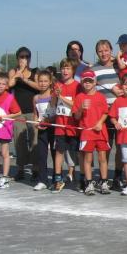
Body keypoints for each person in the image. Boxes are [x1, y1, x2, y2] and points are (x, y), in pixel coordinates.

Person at [73, 70, 110, 196]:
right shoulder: (79, 97)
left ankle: (104, 182)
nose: (87, 83)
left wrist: (100, 123)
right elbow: (76, 117)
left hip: (100, 132)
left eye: (90, 81)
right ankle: (89, 183)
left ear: (95, 82)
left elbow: (105, 112)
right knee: (87, 158)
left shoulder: (101, 96)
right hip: (87, 132)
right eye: (85, 81)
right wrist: (81, 108)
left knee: (102, 157)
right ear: (82, 82)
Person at [92, 40, 124, 188]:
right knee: (104, 146)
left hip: (120, 113)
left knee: (120, 146)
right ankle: (103, 176)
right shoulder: (93, 69)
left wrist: (120, 91)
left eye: (106, 50)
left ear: (111, 50)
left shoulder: (119, 66)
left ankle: (118, 175)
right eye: (100, 51)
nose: (103, 53)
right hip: (103, 114)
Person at [7, 46, 39, 181]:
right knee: (19, 141)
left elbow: (39, 86)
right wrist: (18, 72)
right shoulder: (13, 71)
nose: (24, 59)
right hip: (18, 113)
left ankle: (35, 169)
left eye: (27, 57)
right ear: (17, 58)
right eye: (22, 57)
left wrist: (25, 79)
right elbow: (9, 84)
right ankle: (20, 169)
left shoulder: (35, 72)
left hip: (33, 111)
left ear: (30, 59)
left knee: (34, 140)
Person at [52, 58, 81, 190]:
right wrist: (55, 96)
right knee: (59, 151)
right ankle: (58, 178)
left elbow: (76, 105)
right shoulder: (58, 85)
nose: (65, 71)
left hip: (72, 125)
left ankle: (73, 175)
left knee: (74, 152)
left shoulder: (77, 86)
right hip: (60, 125)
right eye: (63, 68)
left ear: (73, 70)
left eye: (68, 68)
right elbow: (53, 104)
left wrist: (61, 97)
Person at [31, 69, 56, 191]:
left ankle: (56, 179)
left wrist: (48, 121)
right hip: (42, 129)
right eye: (40, 81)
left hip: (53, 128)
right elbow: (35, 114)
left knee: (55, 154)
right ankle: (42, 180)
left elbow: (56, 113)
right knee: (41, 155)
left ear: (50, 82)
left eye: (45, 81)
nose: (43, 83)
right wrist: (36, 123)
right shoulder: (36, 98)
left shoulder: (53, 96)